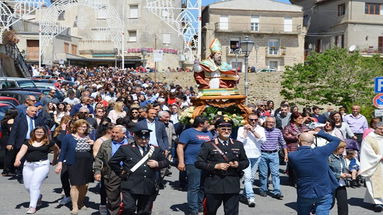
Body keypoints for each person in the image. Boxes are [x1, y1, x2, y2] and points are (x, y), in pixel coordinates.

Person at [108, 128, 170, 215]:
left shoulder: (155, 150)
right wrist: (121, 172)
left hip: (147, 185)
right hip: (130, 184)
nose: (144, 141)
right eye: (141, 139)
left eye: (146, 139)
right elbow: (113, 162)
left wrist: (158, 164)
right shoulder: (126, 149)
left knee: (144, 211)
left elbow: (166, 162)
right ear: (135, 138)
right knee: (129, 208)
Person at [195, 118, 249, 215]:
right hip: (214, 184)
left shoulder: (238, 144)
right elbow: (199, 163)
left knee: (232, 212)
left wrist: (238, 164)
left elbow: (245, 162)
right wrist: (215, 166)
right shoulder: (208, 145)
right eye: (223, 129)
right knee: (210, 211)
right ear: (216, 130)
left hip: (232, 184)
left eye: (229, 129)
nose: (226, 131)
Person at [288, 130, 341, 215]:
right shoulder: (321, 151)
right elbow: (336, 140)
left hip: (304, 190)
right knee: (323, 211)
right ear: (313, 142)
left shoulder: (292, 155)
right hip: (323, 190)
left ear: (299, 141)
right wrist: (318, 132)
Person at [13, 127, 59, 214]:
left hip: (42, 165)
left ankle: (32, 206)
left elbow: (57, 149)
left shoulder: (49, 142)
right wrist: (17, 160)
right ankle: (38, 196)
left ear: (44, 133)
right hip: (28, 165)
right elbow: (21, 151)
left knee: (34, 185)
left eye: (41, 132)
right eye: (37, 132)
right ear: (33, 133)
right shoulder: (28, 141)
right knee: (27, 186)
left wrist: (55, 159)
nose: (39, 133)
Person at [55, 119, 94, 215]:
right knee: (75, 184)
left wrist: (93, 145)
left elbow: (94, 151)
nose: (83, 128)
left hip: (87, 163)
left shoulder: (89, 136)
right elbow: (63, 151)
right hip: (73, 163)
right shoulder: (68, 137)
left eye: (85, 127)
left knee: (85, 185)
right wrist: (60, 163)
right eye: (80, 126)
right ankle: (75, 205)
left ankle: (81, 202)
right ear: (76, 127)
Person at [177, 116, 212, 215]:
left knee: (203, 186)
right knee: (194, 187)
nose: (208, 124)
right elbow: (180, 147)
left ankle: (199, 204)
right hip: (193, 163)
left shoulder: (207, 133)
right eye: (207, 122)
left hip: (205, 164)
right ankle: (193, 209)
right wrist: (181, 162)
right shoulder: (188, 132)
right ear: (201, 124)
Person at [94, 125, 128, 215]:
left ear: (123, 134)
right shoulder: (106, 144)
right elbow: (99, 158)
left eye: (117, 132)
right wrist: (97, 171)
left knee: (129, 198)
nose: (113, 134)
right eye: (113, 132)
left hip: (128, 172)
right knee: (113, 199)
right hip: (111, 173)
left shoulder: (131, 143)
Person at [7, 106, 44, 182]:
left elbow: (43, 130)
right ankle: (21, 175)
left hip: (34, 141)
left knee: (33, 159)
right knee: (22, 159)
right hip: (22, 141)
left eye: (35, 111)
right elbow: (14, 131)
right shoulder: (20, 119)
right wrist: (10, 143)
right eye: (32, 111)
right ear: (27, 111)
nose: (34, 113)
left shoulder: (39, 119)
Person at [236, 113, 266, 207]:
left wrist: (253, 131)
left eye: (255, 120)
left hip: (256, 155)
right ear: (247, 120)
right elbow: (239, 142)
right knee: (248, 177)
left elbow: (263, 140)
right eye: (251, 120)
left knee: (251, 178)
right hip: (245, 156)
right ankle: (251, 198)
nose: (253, 121)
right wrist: (245, 131)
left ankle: (244, 194)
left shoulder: (261, 129)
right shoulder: (241, 129)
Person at [258, 117, 287, 199]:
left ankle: (277, 191)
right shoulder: (261, 131)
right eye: (269, 122)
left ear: (275, 123)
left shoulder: (278, 131)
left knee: (275, 174)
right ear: (265, 123)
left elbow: (283, 143)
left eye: (272, 122)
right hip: (263, 154)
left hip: (274, 154)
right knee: (263, 174)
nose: (271, 124)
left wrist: (286, 155)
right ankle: (263, 189)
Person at [359, 122, 383, 212]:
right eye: (380, 129)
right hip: (374, 164)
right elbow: (366, 152)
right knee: (374, 183)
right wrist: (380, 157)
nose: (382, 130)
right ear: (375, 128)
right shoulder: (369, 139)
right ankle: (378, 203)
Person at [283, 112, 309, 186]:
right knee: (292, 165)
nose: (301, 120)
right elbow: (285, 136)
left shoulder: (303, 126)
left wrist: (300, 135)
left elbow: (307, 133)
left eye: (301, 118)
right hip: (292, 147)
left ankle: (300, 179)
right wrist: (296, 137)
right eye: (299, 118)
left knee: (301, 164)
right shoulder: (288, 127)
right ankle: (292, 179)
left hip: (302, 147)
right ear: (294, 119)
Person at [328, 141, 349, 215]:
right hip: (331, 184)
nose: (343, 149)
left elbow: (343, 169)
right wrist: (338, 175)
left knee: (343, 204)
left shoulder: (341, 157)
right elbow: (327, 172)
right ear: (336, 148)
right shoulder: (329, 157)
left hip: (341, 184)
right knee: (329, 204)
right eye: (342, 148)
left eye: (344, 148)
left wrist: (346, 174)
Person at [1, 109, 19, 176]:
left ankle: (6, 170)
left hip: (4, 138)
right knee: (10, 155)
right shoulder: (11, 121)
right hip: (9, 139)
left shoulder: (3, 120)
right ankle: (8, 170)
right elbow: (12, 130)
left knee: (6, 155)